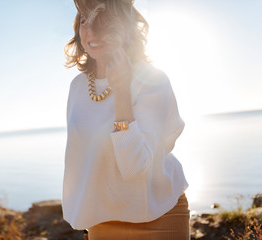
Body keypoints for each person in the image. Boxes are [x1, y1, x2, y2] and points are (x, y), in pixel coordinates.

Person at [62, 0, 190, 239]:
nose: (90, 31)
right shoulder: (78, 87)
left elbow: (135, 168)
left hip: (160, 214)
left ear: (123, 25)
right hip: (102, 220)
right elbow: (79, 161)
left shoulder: (152, 80)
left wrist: (122, 94)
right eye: (83, 20)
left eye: (101, 20)